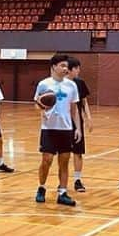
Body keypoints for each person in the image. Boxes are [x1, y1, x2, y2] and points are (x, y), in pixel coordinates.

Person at [33, 53, 80, 206]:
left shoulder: (71, 85)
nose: (66, 69)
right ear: (54, 67)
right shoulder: (44, 84)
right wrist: (42, 110)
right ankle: (41, 187)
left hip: (66, 128)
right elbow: (36, 104)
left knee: (64, 162)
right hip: (49, 128)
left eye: (67, 66)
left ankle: (63, 192)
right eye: (62, 66)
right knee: (46, 160)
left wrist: (77, 128)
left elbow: (74, 109)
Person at [66, 57, 92, 192]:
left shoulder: (80, 83)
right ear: (70, 70)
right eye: (77, 68)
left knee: (78, 152)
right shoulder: (61, 84)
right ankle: (62, 181)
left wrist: (89, 118)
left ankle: (77, 180)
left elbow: (84, 102)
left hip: (77, 121)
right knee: (63, 153)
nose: (79, 71)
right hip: (63, 121)